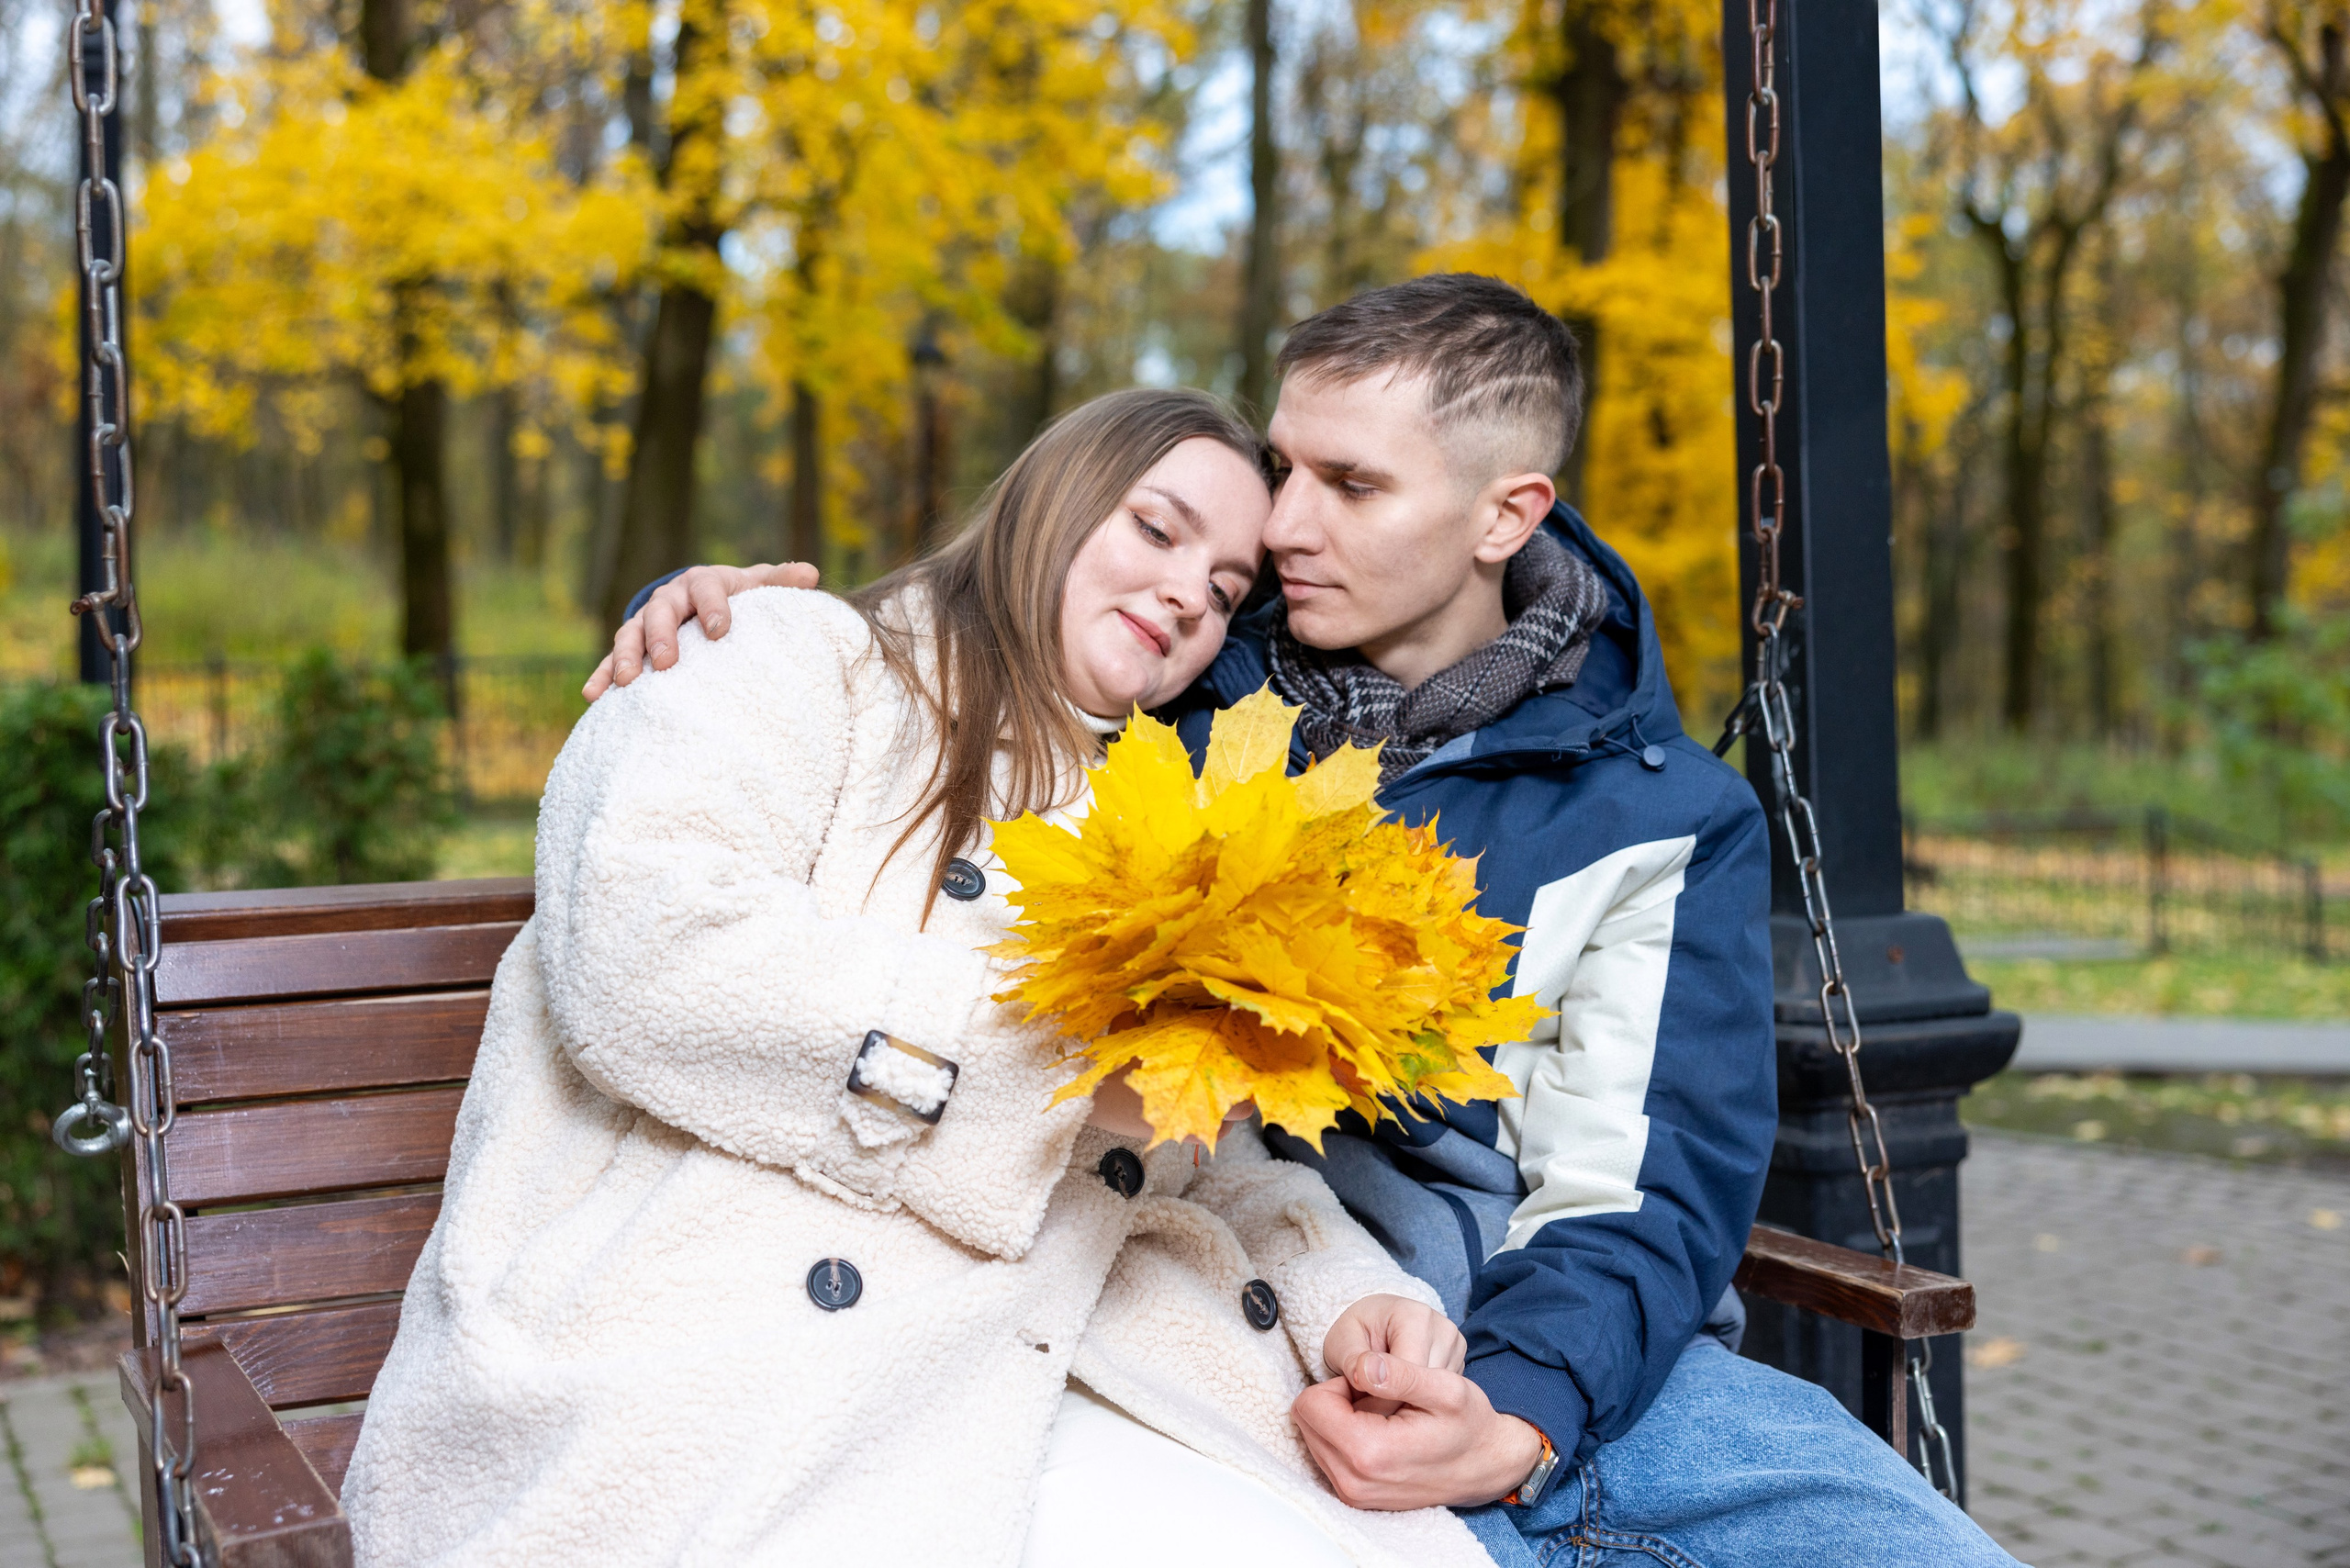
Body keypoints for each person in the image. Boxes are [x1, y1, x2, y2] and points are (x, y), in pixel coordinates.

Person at [601, 274, 2023, 1567]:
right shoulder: (1187, 677)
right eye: (1285, 466)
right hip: (1220, 1323)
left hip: (1564, 1354)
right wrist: (722, 609)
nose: (1282, 526)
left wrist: (1518, 1414)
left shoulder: (1661, 818)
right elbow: (969, 665)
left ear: (1503, 516)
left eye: (1349, 483)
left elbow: (1645, 1185)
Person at [342, 387, 1497, 1568]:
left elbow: (1196, 1136)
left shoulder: (1152, 822)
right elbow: (647, 949)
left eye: (1222, 593)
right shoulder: (789, 656)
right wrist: (1049, 1079)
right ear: (1053, 495)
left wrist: (1340, 1290)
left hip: (1016, 1372)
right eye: (1157, 530)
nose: (1183, 596)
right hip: (707, 1367)